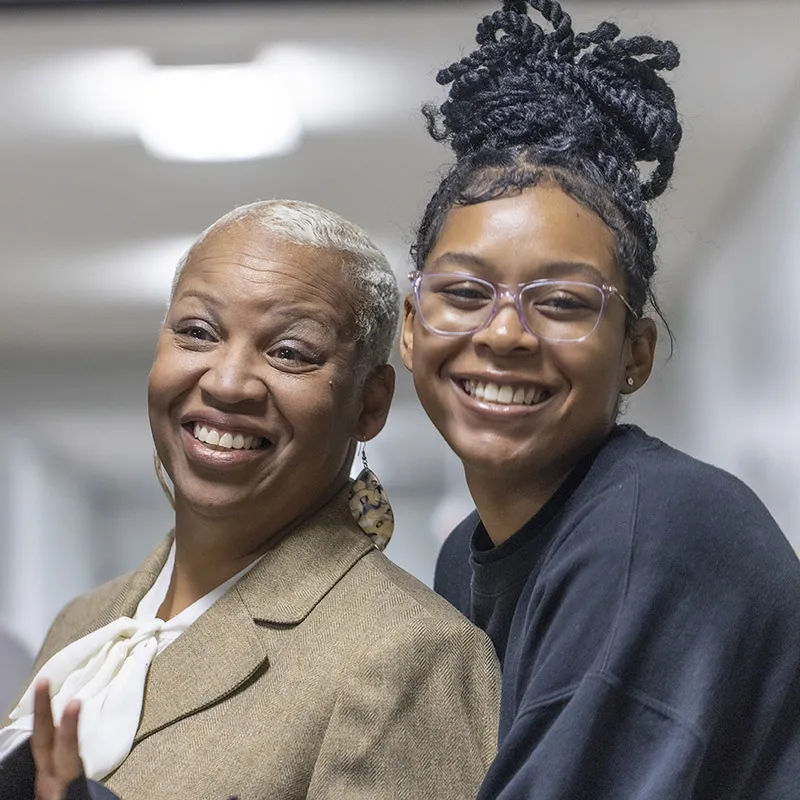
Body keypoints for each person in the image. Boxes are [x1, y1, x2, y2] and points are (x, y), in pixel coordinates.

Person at [399, 1, 800, 797]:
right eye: (467, 292)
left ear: (636, 356)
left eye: (564, 303)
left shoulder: (658, 529)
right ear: (410, 328)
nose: (506, 333)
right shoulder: (469, 557)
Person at [0, 200, 501, 800]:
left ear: (370, 403)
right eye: (197, 333)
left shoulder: (412, 656)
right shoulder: (83, 624)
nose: (227, 381)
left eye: (289, 352)